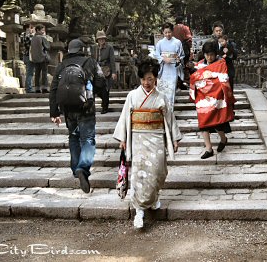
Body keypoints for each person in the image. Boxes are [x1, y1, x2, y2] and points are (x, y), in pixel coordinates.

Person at [113, 59, 182, 229]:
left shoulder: (162, 97)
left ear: (156, 79)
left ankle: (154, 196)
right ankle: (139, 212)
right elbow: (124, 118)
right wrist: (123, 138)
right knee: (139, 173)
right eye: (144, 79)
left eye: (150, 79)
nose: (147, 82)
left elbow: (169, 119)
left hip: (157, 137)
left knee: (158, 170)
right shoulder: (132, 96)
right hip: (138, 138)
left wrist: (173, 138)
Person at [49, 38, 104, 193]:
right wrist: (96, 93)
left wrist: (54, 112)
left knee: (73, 137)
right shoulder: (90, 62)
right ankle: (83, 168)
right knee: (87, 139)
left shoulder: (61, 66)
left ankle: (76, 168)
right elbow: (100, 80)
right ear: (82, 49)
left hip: (68, 109)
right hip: (86, 107)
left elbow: (53, 89)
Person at [190, 41, 235, 159]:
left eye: (211, 54)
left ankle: (223, 139)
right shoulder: (199, 65)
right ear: (203, 54)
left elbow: (224, 79)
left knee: (217, 123)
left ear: (215, 54)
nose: (209, 57)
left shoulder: (221, 63)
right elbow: (195, 79)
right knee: (203, 123)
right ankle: (208, 148)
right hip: (203, 98)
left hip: (216, 97)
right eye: (207, 54)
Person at [154, 22, 185, 111]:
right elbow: (156, 54)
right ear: (163, 32)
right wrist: (163, 59)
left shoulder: (177, 42)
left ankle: (170, 110)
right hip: (163, 69)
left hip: (173, 69)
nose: (167, 34)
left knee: (171, 89)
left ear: (172, 31)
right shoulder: (160, 43)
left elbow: (182, 55)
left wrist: (179, 59)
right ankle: (162, 109)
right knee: (162, 90)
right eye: (165, 32)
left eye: (169, 32)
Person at [92, 30, 116, 114]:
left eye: (103, 39)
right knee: (96, 89)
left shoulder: (109, 48)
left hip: (106, 70)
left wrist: (114, 72)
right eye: (100, 39)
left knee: (105, 90)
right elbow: (92, 60)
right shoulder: (94, 48)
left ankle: (105, 107)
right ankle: (101, 103)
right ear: (97, 40)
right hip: (97, 71)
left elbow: (112, 60)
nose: (101, 40)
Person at [30, 24, 50, 93]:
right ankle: (44, 87)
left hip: (35, 58)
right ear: (38, 30)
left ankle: (37, 88)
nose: (43, 32)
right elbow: (47, 47)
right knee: (44, 73)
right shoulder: (42, 38)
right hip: (43, 58)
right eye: (42, 30)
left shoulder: (32, 38)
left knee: (37, 74)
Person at [173, 16, 192, 89]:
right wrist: (190, 48)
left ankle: (177, 83)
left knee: (176, 66)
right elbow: (189, 39)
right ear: (182, 21)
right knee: (185, 65)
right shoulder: (185, 28)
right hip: (184, 48)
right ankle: (185, 82)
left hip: (174, 49)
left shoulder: (173, 29)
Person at [20, 24, 35, 93]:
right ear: (27, 28)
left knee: (28, 72)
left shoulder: (22, 35)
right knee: (30, 72)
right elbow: (31, 45)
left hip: (25, 55)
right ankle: (29, 88)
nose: (31, 29)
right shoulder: (28, 36)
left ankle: (28, 87)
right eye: (30, 28)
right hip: (29, 55)